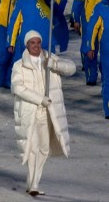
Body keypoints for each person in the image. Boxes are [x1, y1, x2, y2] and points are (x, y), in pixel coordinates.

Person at [11, 30, 75, 197]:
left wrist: (54, 65)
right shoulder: (19, 65)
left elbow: (71, 68)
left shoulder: (49, 59)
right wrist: (40, 99)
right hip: (32, 112)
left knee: (44, 149)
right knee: (33, 148)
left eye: (38, 42)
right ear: (27, 45)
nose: (36, 46)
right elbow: (17, 88)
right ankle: (33, 184)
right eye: (32, 43)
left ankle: (34, 182)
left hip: (49, 112)